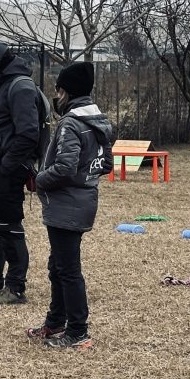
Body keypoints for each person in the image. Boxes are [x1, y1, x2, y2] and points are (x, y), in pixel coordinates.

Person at [31, 61, 113, 351]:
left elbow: (64, 167)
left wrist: (40, 178)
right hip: (83, 200)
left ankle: (78, 331)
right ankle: (56, 321)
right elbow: (106, 164)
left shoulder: (70, 123)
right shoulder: (99, 121)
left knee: (67, 269)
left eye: (58, 89)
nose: (55, 95)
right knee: (58, 266)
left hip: (66, 205)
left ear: (66, 91)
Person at [0, 38, 42, 306]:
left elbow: (28, 134)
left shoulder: (20, 87)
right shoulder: (0, 85)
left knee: (9, 229)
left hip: (6, 172)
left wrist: (6, 166)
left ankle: (15, 287)